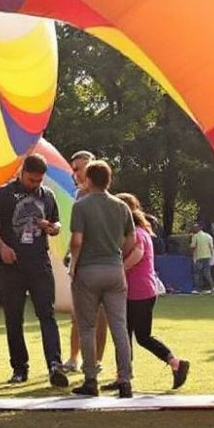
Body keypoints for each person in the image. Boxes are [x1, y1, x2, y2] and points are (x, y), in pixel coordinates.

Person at [0, 154, 69, 388]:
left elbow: (57, 223)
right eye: (31, 180)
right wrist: (1, 246)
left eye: (39, 181)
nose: (35, 185)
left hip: (39, 264)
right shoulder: (3, 193)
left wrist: (53, 227)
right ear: (22, 172)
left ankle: (55, 365)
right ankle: (19, 368)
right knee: (14, 318)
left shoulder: (47, 195)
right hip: (11, 266)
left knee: (47, 314)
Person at [69, 161, 135, 398]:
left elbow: (77, 240)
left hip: (88, 269)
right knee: (119, 326)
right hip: (114, 270)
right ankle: (125, 379)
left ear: (88, 179)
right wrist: (117, 253)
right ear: (109, 180)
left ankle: (90, 379)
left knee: (87, 326)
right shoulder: (121, 207)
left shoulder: (81, 206)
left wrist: (73, 263)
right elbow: (131, 240)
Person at [115, 193, 190, 390]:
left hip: (136, 292)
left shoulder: (137, 233)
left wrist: (119, 269)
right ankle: (174, 364)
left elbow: (138, 254)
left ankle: (124, 377)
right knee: (139, 336)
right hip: (144, 291)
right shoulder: (143, 231)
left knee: (129, 336)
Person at [62, 150, 107, 375]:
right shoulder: (79, 196)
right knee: (77, 316)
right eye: (73, 169)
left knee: (100, 318)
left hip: (97, 263)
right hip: (86, 264)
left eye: (78, 169)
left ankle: (96, 361)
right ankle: (73, 358)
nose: (75, 174)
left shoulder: (103, 198)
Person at [190, 222, 214, 292]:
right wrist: (213, 256)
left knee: (197, 273)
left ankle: (198, 288)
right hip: (207, 256)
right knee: (207, 273)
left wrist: (192, 254)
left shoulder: (195, 236)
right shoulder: (208, 236)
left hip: (199, 256)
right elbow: (211, 247)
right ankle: (212, 287)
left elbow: (193, 247)